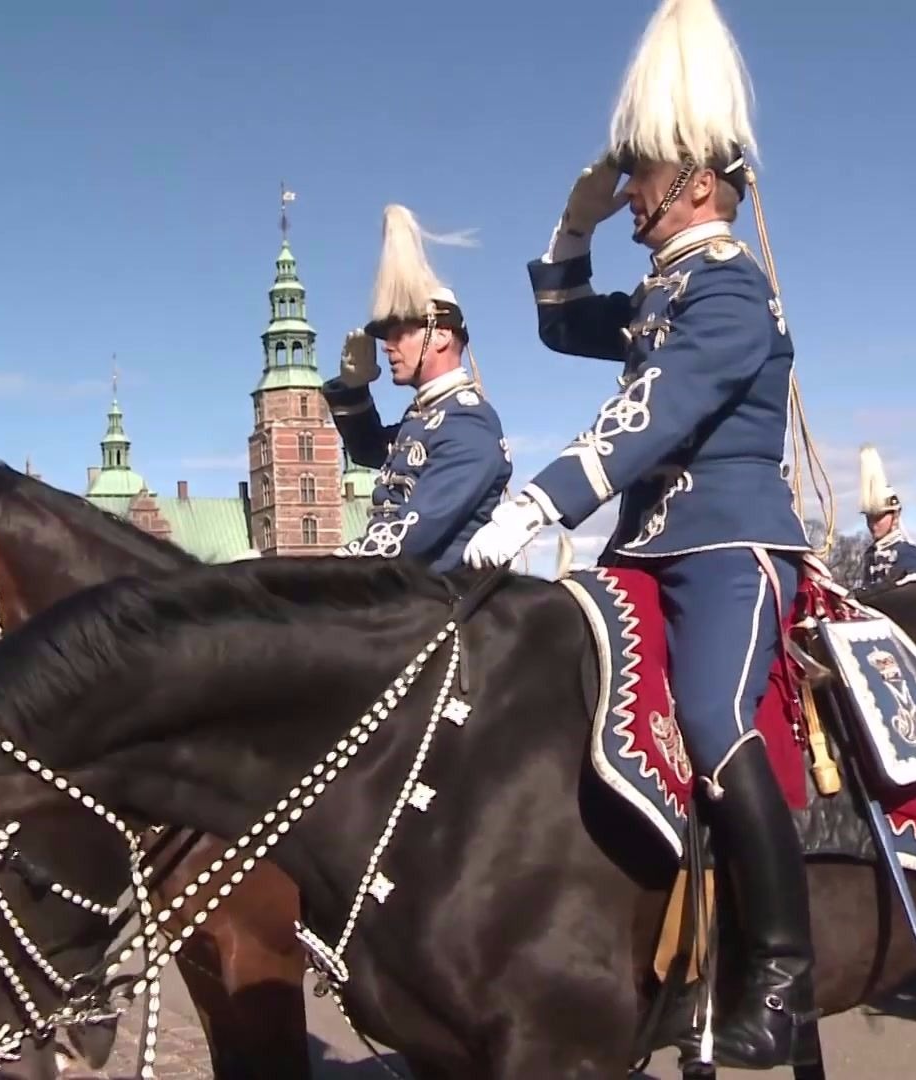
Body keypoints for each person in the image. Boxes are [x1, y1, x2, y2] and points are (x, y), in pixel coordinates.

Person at [462, 0, 815, 1068]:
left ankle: (784, 973)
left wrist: (538, 500)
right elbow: (565, 322)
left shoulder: (732, 296)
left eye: (643, 184)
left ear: (699, 184)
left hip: (726, 546)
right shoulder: (667, 294)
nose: (631, 206)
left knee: (712, 719)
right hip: (643, 552)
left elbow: (652, 409)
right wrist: (567, 225)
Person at [323, 205, 511, 572]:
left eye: (400, 333)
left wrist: (325, 572)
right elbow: (368, 451)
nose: (387, 346)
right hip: (406, 592)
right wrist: (353, 388)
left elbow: (413, 535)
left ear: (441, 335)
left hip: (444, 599)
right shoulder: (426, 416)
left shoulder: (468, 422)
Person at [855, 444, 916, 591]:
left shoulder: (908, 552)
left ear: (895, 515)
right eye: (869, 518)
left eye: (879, 517)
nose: (873, 524)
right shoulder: (870, 554)